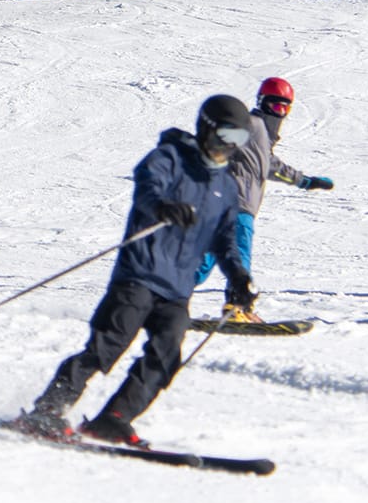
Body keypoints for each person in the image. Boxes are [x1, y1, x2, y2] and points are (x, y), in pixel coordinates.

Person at [20, 94, 256, 447]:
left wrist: (237, 275)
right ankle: (48, 410)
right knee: (106, 346)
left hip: (177, 289)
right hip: (139, 275)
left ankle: (114, 418)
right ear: (206, 129)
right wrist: (163, 206)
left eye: (238, 141)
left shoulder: (225, 186)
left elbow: (225, 240)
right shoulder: (172, 157)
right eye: (225, 136)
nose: (228, 147)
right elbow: (147, 183)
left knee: (166, 355)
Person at [194, 75, 335, 322]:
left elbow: (272, 166)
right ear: (262, 101)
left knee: (204, 260)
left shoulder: (259, 136)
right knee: (239, 255)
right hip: (239, 205)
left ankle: (161, 294)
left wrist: (305, 181)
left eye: (284, 107)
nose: (279, 112)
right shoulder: (252, 125)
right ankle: (238, 306)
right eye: (274, 105)